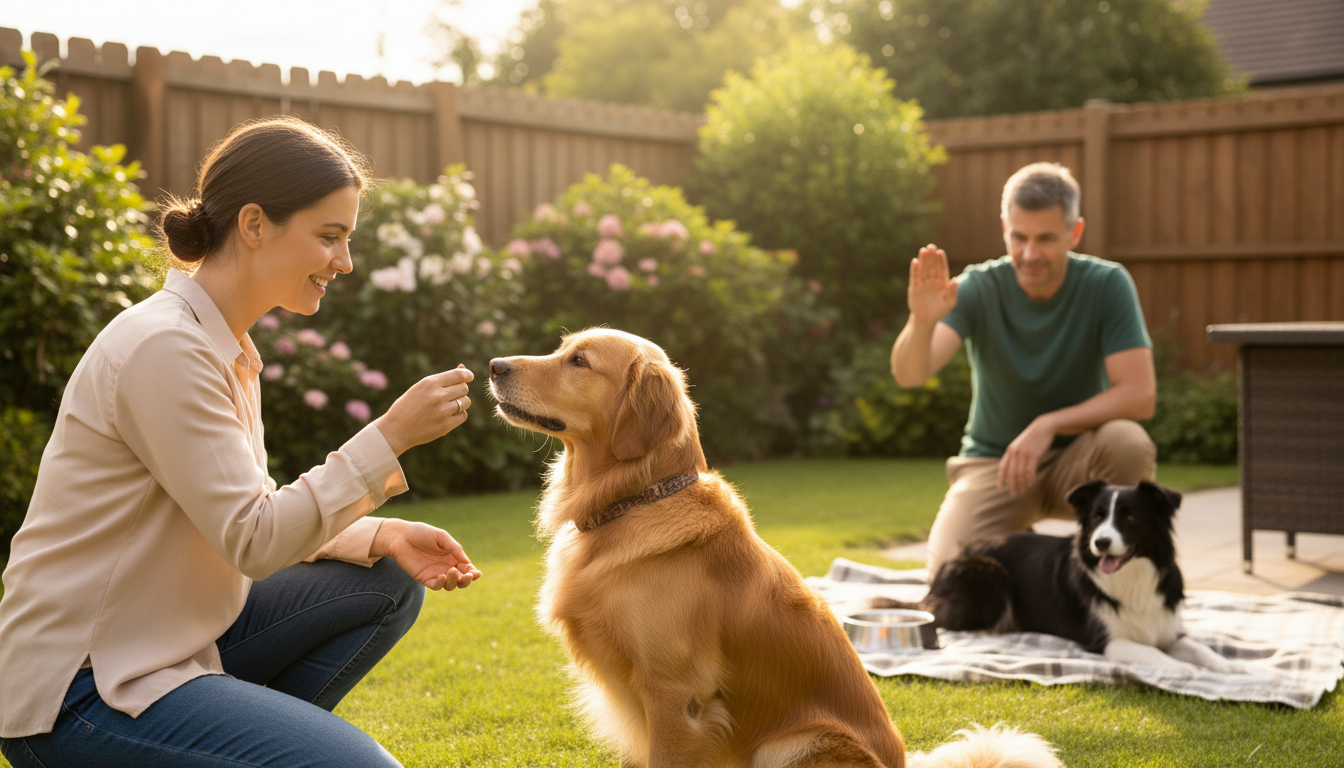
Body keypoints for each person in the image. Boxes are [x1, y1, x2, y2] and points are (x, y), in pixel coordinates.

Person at [0, 116, 481, 768]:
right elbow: (256, 540)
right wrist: (391, 436)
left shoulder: (221, 346)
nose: (345, 262)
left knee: (388, 574)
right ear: (254, 225)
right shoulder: (166, 348)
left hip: (171, 647)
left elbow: (241, 513)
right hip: (79, 688)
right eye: (330, 236)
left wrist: (378, 535)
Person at [891, 162, 1157, 576]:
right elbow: (910, 375)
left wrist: (1047, 424)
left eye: (1046, 239)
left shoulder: (1107, 285)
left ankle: (1115, 576)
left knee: (1128, 442)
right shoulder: (978, 286)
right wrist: (922, 321)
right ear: (1004, 228)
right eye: (1019, 237)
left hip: (1079, 459)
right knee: (949, 575)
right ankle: (1029, 552)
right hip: (996, 464)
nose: (1030, 254)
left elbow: (1140, 394)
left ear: (1075, 233)